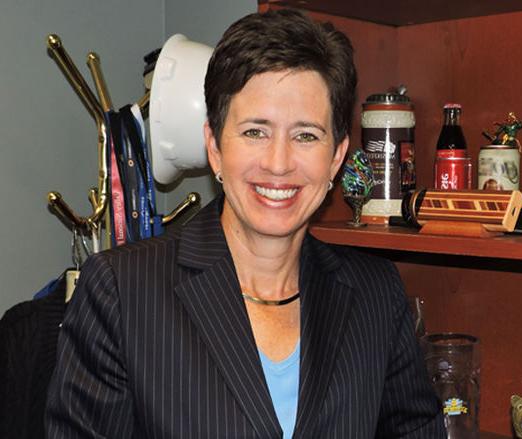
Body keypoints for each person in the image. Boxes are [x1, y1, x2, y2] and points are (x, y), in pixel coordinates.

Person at [45, 9, 446, 438]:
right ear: (215, 147)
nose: (278, 163)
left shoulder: (376, 295)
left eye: (306, 135)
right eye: (256, 131)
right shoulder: (122, 291)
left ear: (336, 157)